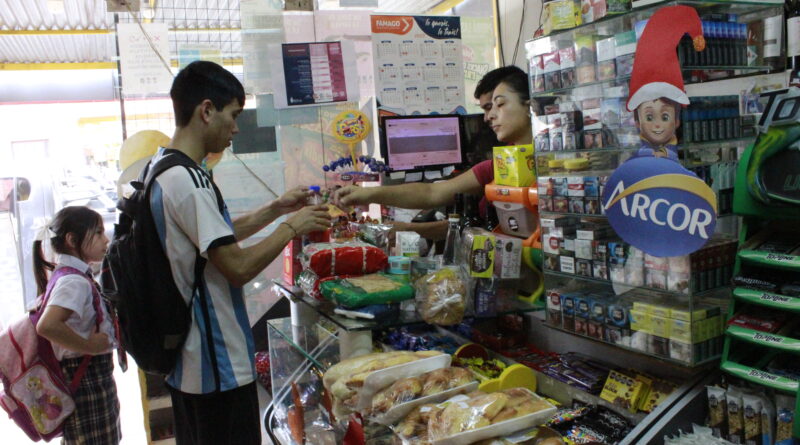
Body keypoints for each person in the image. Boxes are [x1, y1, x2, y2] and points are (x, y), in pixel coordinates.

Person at [154, 61, 331, 445]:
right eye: (233, 115)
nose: (236, 128)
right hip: (216, 366)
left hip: (193, 365)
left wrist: (276, 209)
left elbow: (212, 237)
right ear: (205, 111)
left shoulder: (164, 168)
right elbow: (236, 267)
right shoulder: (187, 182)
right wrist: (293, 227)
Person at [334, 66, 532, 233]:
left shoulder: (548, 163)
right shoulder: (500, 165)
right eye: (488, 108)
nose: (488, 117)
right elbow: (432, 192)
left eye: (499, 105)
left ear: (530, 104)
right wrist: (370, 195)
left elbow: (433, 193)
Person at [34, 206, 121, 444]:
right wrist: (89, 346)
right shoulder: (74, 282)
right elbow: (47, 325)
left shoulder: (70, 276)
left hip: (86, 380)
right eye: (98, 232)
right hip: (86, 382)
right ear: (72, 239)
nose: (106, 239)